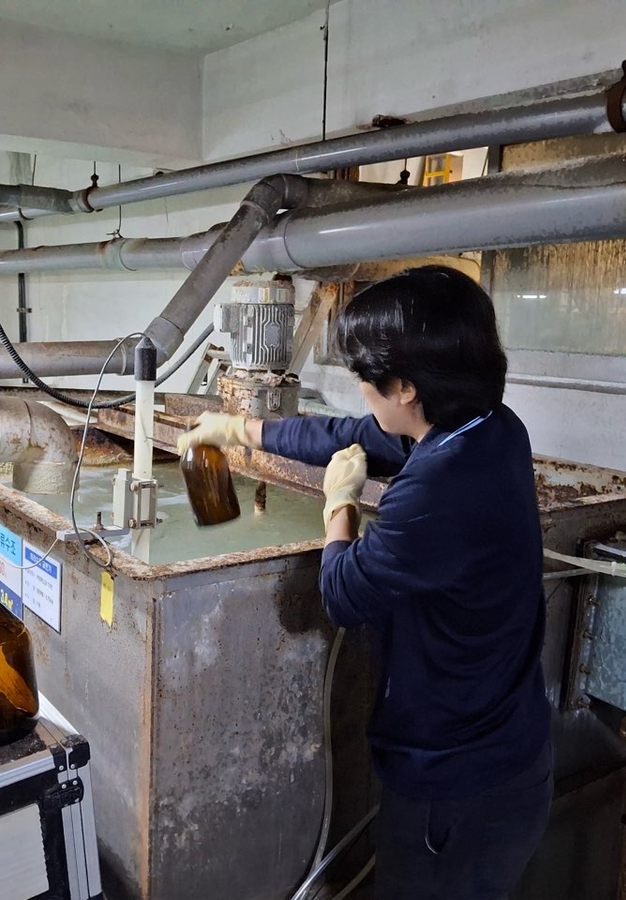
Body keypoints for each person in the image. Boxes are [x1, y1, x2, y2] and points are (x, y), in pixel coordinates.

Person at [178, 265, 552, 899]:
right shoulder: (486, 427)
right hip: (504, 748)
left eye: (363, 376)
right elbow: (352, 435)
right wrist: (242, 429)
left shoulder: (436, 488)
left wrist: (339, 505)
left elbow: (344, 594)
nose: (358, 388)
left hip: (453, 787)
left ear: (405, 386)